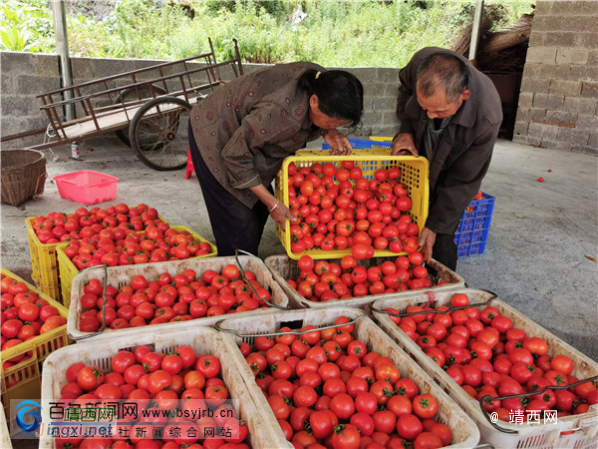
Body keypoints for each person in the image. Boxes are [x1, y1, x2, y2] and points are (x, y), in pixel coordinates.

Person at [188, 62, 364, 257]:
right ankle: (235, 271)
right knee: (239, 220)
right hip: (214, 134)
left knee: (258, 210)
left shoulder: (321, 80)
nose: (334, 126)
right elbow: (234, 156)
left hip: (246, 132)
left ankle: (245, 263)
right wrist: (273, 203)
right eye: (332, 121)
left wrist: (329, 129)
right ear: (314, 101)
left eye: (340, 124)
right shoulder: (281, 114)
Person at [392, 47, 502, 270]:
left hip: (455, 163)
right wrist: (406, 130)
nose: (430, 116)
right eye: (424, 108)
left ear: (464, 95)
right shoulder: (421, 63)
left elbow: (463, 181)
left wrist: (435, 225)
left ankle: (442, 279)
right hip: (422, 142)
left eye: (439, 111)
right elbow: (404, 89)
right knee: (406, 207)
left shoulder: (486, 120)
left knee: (439, 234)